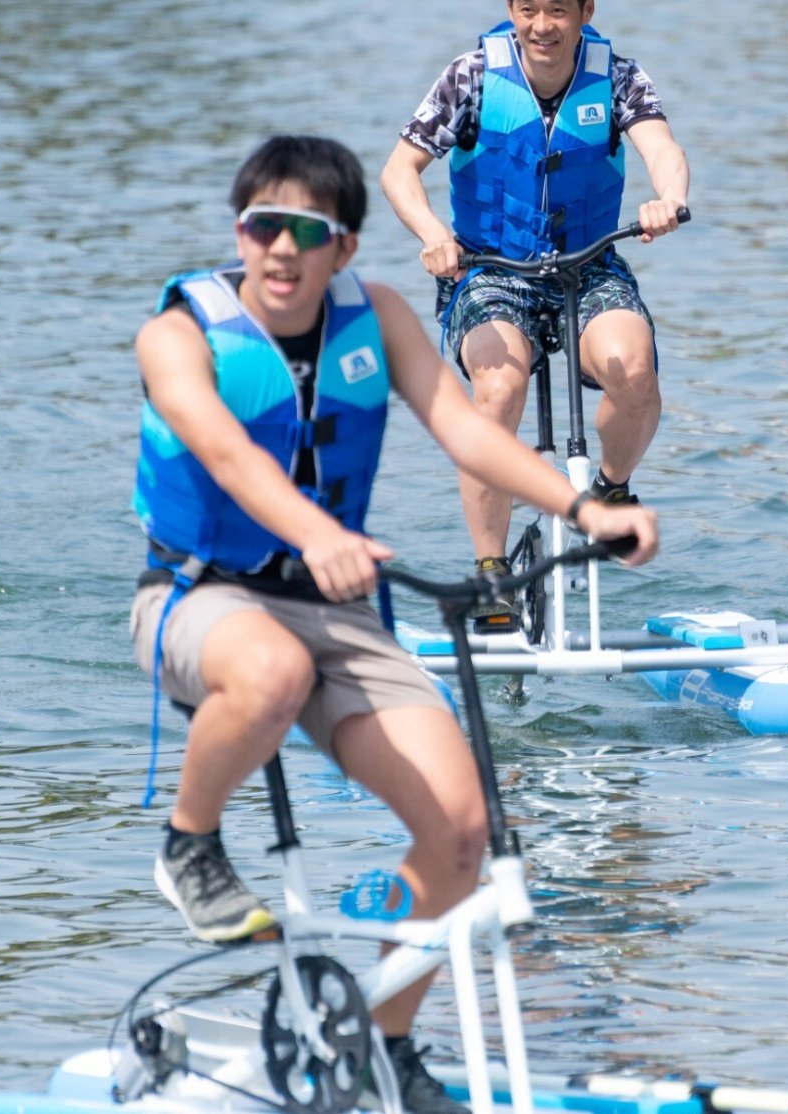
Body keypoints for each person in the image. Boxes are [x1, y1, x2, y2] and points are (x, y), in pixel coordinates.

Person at [130, 135, 657, 1113]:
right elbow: (225, 454)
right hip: (200, 598)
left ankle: (383, 1045)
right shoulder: (180, 332)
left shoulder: (383, 321)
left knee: (462, 834)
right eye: (262, 229)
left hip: (339, 614)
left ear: (346, 248)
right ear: (240, 234)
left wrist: (588, 510)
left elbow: (466, 431)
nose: (281, 252)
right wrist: (314, 532)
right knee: (275, 669)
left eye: (307, 233)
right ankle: (190, 844)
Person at [380, 0, 688, 629]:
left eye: (557, 10)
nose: (540, 26)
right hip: (488, 270)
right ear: (510, 9)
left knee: (633, 368)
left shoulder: (618, 78)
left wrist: (665, 199)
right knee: (498, 389)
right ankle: (490, 572)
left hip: (589, 266)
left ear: (586, 9)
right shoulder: (471, 77)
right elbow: (399, 171)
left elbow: (663, 148)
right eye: (526, 9)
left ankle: (608, 493)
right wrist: (434, 236)